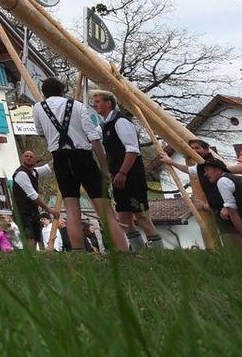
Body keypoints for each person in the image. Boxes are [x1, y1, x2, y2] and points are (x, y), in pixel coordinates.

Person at [32, 76, 122, 251]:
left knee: (72, 209)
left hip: (59, 158)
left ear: (44, 93)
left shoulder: (38, 108)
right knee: (103, 208)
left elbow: (40, 132)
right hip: (83, 156)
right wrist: (105, 168)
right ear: (62, 90)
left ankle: (79, 252)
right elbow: (94, 138)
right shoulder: (77, 106)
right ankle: (123, 250)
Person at [92, 90, 159, 250]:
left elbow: (132, 150)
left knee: (142, 216)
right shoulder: (105, 125)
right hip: (117, 176)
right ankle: (139, 251)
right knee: (124, 217)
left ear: (109, 103)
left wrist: (122, 173)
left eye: (98, 102)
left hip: (131, 175)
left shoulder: (121, 122)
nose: (95, 105)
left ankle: (158, 252)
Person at [9, 151, 58, 249]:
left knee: (35, 237)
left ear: (35, 160)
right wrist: (49, 210)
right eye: (26, 156)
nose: (28, 158)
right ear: (23, 158)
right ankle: (31, 260)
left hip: (33, 211)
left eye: (31, 156)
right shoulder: (21, 174)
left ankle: (34, 258)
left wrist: (59, 155)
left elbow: (47, 167)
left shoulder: (34, 172)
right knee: (29, 237)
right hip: (22, 212)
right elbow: (33, 195)